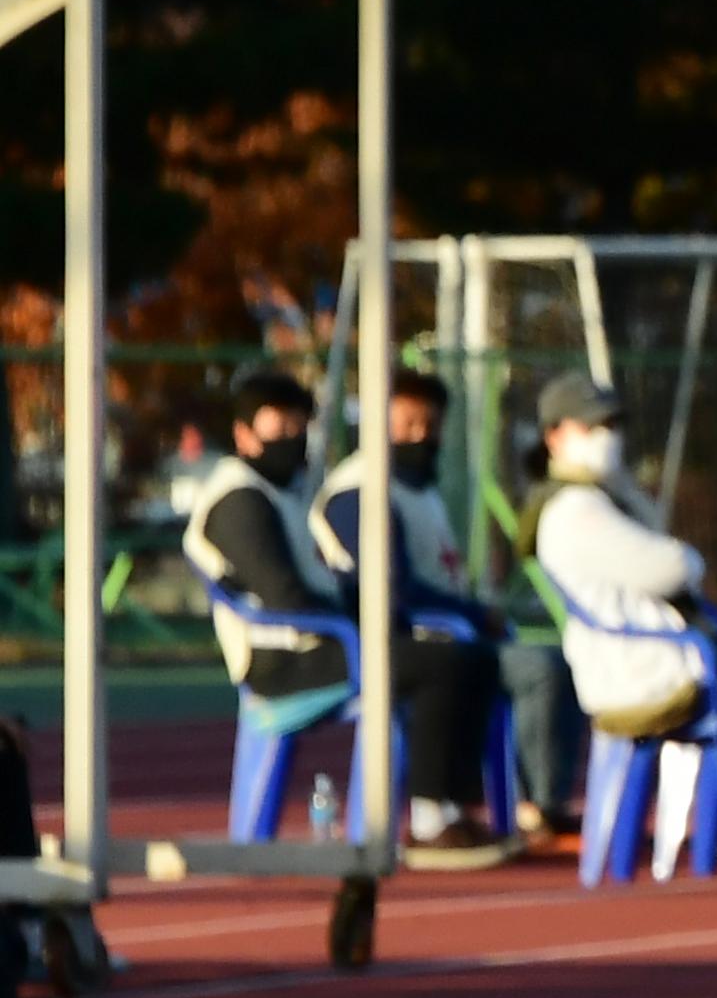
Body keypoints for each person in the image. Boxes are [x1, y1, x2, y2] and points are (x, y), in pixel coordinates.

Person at [524, 371, 717, 853]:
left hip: (668, 651)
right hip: (655, 667)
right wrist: (686, 559)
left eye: (611, 424)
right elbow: (670, 566)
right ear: (554, 436)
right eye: (592, 426)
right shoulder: (576, 509)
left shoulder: (606, 495)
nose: (607, 437)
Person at [315, 365, 522, 852]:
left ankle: (465, 807)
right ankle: (431, 816)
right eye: (406, 424)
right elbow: (392, 587)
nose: (420, 437)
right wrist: (468, 614)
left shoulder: (421, 491)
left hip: (428, 632)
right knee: (455, 665)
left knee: (489, 663)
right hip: (369, 639)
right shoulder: (357, 491)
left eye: (430, 426)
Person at [175, 373, 364, 790]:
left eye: (299, 428)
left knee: (448, 657)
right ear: (243, 434)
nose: (292, 438)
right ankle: (432, 818)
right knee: (426, 666)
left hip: (320, 647)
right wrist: (358, 628)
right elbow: (283, 597)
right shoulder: (238, 499)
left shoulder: (283, 493)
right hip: (281, 663)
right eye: (279, 427)